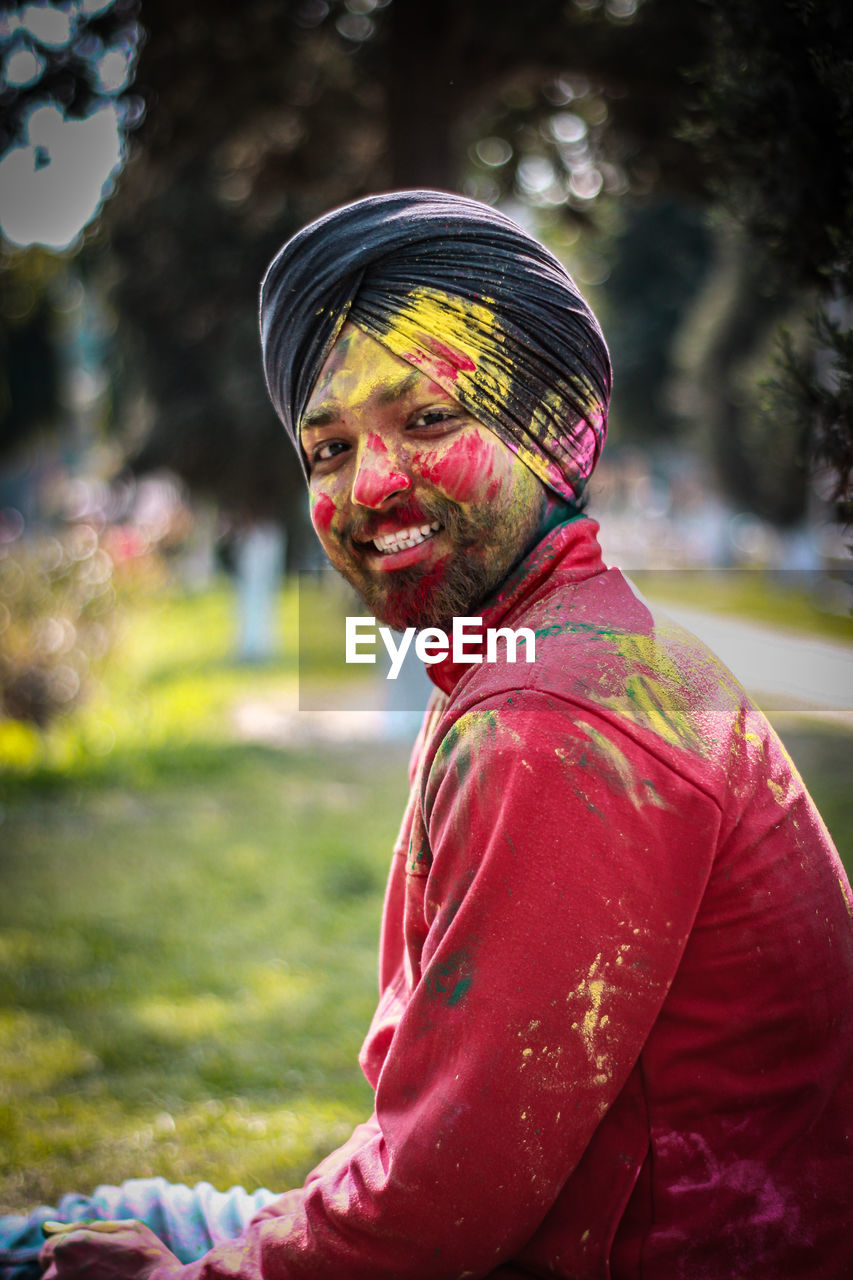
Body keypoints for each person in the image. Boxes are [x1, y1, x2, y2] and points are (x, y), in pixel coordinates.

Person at [16, 190, 853, 1278]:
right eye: (325, 447)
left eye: (427, 420)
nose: (368, 484)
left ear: (553, 426)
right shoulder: (551, 649)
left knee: (50, 1239)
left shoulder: (555, 722)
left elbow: (440, 1207)